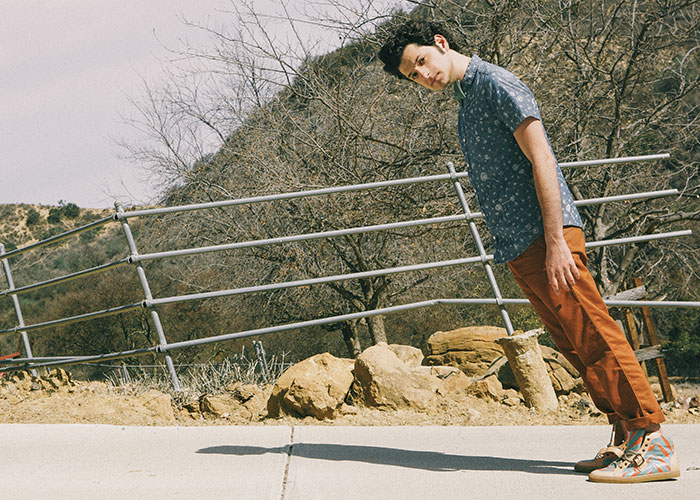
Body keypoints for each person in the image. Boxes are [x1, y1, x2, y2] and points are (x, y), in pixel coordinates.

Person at [378, 19, 679, 483]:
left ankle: (653, 442)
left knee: (594, 333)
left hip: (547, 237)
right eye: (412, 75)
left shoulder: (497, 83)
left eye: (421, 62)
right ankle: (625, 436)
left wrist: (556, 240)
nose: (423, 76)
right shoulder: (466, 100)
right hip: (519, 243)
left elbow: (543, 158)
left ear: (441, 43)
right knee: (575, 345)